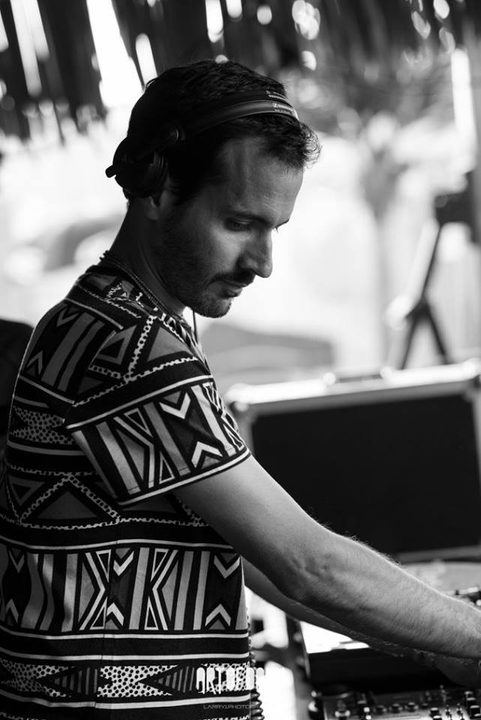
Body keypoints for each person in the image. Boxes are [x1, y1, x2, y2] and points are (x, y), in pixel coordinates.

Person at [0, 59, 481, 720]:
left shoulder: (108, 319)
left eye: (272, 229)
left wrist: (436, 643)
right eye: (238, 223)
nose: (262, 263)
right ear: (156, 188)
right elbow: (307, 565)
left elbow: (248, 553)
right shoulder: (128, 347)